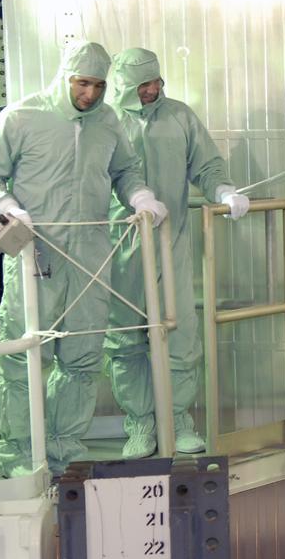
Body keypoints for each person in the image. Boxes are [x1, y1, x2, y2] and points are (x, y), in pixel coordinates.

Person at [0, 41, 168, 476]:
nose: (91, 95)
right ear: (65, 77)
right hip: (34, 253)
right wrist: (7, 205)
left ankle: (59, 451)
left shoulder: (107, 121)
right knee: (23, 354)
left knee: (81, 357)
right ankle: (19, 453)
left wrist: (140, 195)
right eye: (83, 84)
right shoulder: (22, 117)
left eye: (99, 85)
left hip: (91, 254)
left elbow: (124, 170)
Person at [104, 48, 249, 459]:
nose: (154, 90)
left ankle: (179, 417)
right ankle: (140, 422)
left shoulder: (179, 116)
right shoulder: (107, 122)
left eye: (157, 81)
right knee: (125, 339)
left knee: (180, 332)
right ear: (126, 87)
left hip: (173, 241)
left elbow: (206, 163)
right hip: (120, 247)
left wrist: (223, 189)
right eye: (144, 84)